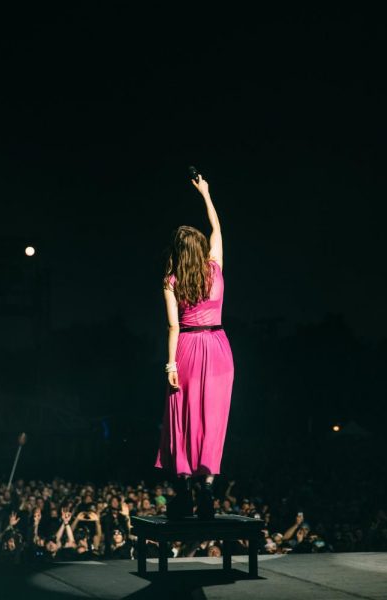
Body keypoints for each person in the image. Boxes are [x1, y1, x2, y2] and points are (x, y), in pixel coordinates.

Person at [155, 172, 234, 520]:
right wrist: (206, 194)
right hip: (218, 348)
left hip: (186, 349)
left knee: (184, 420)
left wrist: (170, 365)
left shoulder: (171, 280)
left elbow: (173, 325)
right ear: (200, 248)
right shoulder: (214, 269)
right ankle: (207, 491)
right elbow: (217, 229)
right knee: (212, 420)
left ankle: (185, 490)